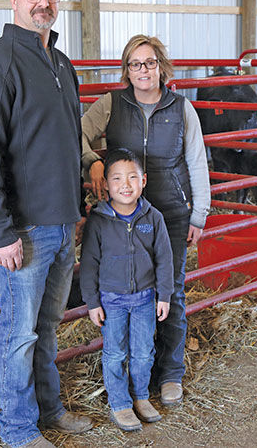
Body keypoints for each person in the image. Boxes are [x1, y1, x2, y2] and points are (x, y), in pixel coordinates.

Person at [0, 0, 92, 448]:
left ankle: (49, 409)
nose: (43, 2)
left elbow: (65, 141)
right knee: (18, 334)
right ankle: (17, 430)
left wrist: (75, 210)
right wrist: (0, 231)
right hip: (24, 230)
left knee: (47, 327)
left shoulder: (60, 63)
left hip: (61, 222)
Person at [81, 34, 211, 406]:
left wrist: (199, 212)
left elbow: (197, 161)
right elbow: (79, 134)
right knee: (127, 291)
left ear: (161, 67)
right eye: (135, 64)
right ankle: (133, 375)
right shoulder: (111, 103)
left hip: (169, 211)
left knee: (170, 290)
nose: (143, 70)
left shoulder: (182, 108)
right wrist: (93, 162)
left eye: (150, 63)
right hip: (121, 215)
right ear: (126, 70)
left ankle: (169, 373)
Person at [79, 148, 173, 432]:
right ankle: (120, 403)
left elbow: (165, 258)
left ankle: (141, 397)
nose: (126, 185)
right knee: (115, 353)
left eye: (132, 177)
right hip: (111, 301)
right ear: (105, 184)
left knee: (144, 352)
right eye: (117, 178)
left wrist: (164, 295)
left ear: (143, 180)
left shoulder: (153, 217)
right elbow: (89, 264)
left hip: (145, 297)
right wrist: (92, 302)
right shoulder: (98, 221)